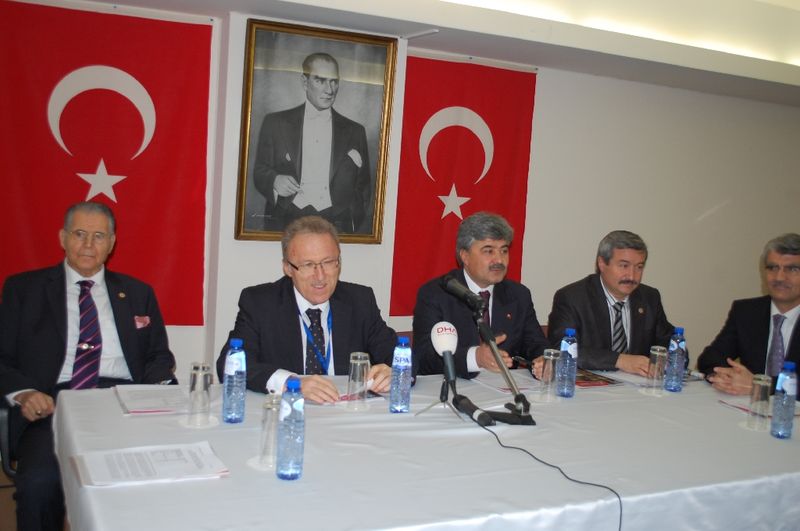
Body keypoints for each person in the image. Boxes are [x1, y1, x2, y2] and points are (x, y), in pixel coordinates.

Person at [0, 201, 176, 531]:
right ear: (63, 237)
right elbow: (2, 357)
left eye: (99, 236)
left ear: (111, 243)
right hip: (52, 404)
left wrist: (159, 389)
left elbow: (158, 356)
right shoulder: (23, 289)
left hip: (122, 402)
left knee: (147, 482)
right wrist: (24, 393)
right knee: (38, 485)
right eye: (80, 234)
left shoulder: (137, 293)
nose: (88, 244)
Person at [217, 215, 396, 403]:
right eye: (308, 265)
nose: (320, 276)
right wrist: (291, 383)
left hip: (346, 411)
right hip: (287, 410)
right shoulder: (260, 303)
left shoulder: (360, 301)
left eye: (328, 262)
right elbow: (228, 365)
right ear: (288, 268)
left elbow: (402, 355)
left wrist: (394, 371)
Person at [413, 212, 549, 378]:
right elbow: (424, 358)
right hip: (455, 387)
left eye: (504, 250)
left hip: (503, 388)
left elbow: (536, 344)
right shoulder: (436, 294)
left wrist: (544, 361)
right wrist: (475, 358)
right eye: (488, 251)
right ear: (465, 256)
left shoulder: (519, 295)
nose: (499, 260)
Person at [253, 52, 371, 234]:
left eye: (334, 81)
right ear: (304, 82)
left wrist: (351, 219)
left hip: (337, 224)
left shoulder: (356, 131)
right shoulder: (275, 123)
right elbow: (260, 170)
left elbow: (363, 185)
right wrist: (274, 180)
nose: (329, 90)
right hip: (286, 219)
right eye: (320, 80)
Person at [536, 230, 674, 378]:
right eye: (624, 266)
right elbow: (561, 350)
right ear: (602, 263)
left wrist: (664, 361)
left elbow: (672, 344)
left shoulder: (649, 298)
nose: (632, 276)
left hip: (640, 387)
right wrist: (619, 360)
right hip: (592, 388)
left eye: (639, 267)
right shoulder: (572, 298)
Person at [698, 233, 800, 397]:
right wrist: (725, 378)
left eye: (792, 269)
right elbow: (710, 358)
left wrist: (760, 385)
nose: (779, 277)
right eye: (772, 268)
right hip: (748, 406)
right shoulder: (746, 311)